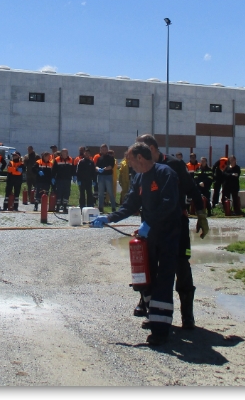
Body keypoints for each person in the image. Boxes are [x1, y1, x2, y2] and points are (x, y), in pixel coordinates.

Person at [91, 142, 180, 346]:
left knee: (164, 280)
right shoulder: (139, 178)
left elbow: (169, 203)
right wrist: (109, 218)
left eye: (130, 160)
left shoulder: (165, 173)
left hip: (168, 235)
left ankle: (160, 331)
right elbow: (130, 205)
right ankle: (153, 316)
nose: (128, 164)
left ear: (140, 158)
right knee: (146, 277)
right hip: (150, 236)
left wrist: (149, 223)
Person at [135, 134, 208, 330]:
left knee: (181, 266)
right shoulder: (141, 168)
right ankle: (152, 312)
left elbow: (192, 189)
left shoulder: (174, 165)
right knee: (149, 267)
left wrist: (201, 215)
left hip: (176, 224)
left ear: (151, 149)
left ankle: (187, 316)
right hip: (151, 225)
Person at [52, 148, 75, 213]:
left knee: (66, 193)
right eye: (63, 152)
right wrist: (53, 177)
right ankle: (58, 206)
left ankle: (65, 207)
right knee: (59, 193)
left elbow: (73, 169)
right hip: (59, 179)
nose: (65, 154)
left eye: (66, 153)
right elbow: (54, 169)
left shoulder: (70, 159)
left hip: (67, 179)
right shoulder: (57, 159)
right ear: (61, 153)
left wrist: (74, 175)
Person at [95, 144, 116, 212]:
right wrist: (98, 169)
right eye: (102, 149)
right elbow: (96, 166)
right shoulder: (99, 158)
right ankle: (100, 207)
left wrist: (104, 169)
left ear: (107, 150)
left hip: (108, 176)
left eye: (105, 149)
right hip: (100, 176)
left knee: (110, 192)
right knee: (100, 193)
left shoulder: (111, 157)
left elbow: (111, 166)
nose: (103, 150)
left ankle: (113, 207)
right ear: (100, 150)